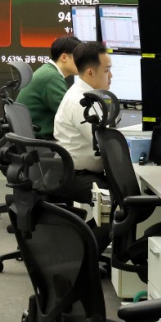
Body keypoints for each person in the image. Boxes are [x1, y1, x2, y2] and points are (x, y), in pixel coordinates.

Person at [51, 41, 113, 202]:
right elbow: (105, 145)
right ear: (90, 72)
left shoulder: (88, 94)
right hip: (74, 175)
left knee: (129, 197)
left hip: (78, 170)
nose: (111, 76)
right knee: (122, 200)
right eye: (107, 70)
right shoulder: (81, 102)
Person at [17, 35, 79, 139]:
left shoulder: (48, 71)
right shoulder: (52, 77)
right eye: (79, 58)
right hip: (40, 140)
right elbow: (71, 115)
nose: (84, 63)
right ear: (64, 57)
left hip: (33, 137)